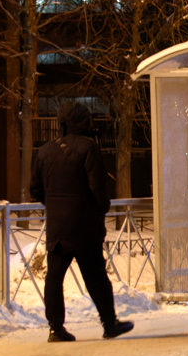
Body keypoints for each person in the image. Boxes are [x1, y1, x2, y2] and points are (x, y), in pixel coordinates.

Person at [30, 101, 134, 343]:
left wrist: (55, 204)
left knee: (54, 278)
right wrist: (99, 210)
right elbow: (98, 190)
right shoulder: (89, 148)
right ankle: (109, 324)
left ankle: (56, 328)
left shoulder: (44, 151)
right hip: (85, 227)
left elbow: (34, 188)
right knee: (96, 276)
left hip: (57, 228)